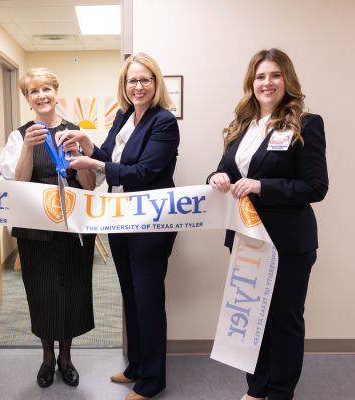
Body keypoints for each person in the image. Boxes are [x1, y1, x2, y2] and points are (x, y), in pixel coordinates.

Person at [207, 48, 328, 400]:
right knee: (252, 321)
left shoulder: (306, 124)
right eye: (260, 76)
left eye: (275, 75)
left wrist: (262, 186)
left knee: (284, 321)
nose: (267, 82)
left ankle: (280, 392)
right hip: (248, 240)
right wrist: (216, 176)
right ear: (251, 83)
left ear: (286, 80)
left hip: (288, 242)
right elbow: (226, 171)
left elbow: (316, 187)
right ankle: (257, 388)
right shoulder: (241, 126)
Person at [59, 53, 180, 400]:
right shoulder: (124, 117)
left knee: (149, 299)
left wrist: (94, 160)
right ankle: (137, 366)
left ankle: (153, 380)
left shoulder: (163, 122)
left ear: (155, 83)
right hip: (120, 218)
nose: (138, 86)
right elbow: (110, 158)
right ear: (124, 87)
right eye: (132, 81)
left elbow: (145, 172)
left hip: (150, 223)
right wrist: (85, 144)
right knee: (131, 295)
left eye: (145, 80)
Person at [0, 67, 96, 388]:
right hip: (34, 229)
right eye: (33, 91)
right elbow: (18, 183)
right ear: (27, 99)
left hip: (73, 226)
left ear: (56, 92)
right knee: (41, 291)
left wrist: (78, 154)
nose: (41, 95)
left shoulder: (75, 131)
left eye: (46, 89)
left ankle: (66, 357)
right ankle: (47, 357)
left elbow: (90, 185)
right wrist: (27, 147)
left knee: (72, 289)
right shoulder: (19, 135)